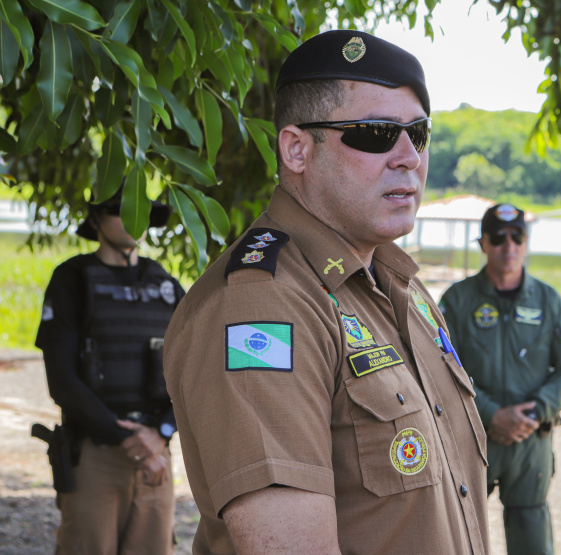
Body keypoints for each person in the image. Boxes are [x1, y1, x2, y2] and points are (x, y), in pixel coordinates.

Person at [163, 30, 489, 554]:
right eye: (376, 132)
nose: (408, 156)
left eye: (418, 133)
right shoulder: (262, 305)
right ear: (296, 149)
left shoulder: (402, 289)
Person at [35, 189, 184, 554]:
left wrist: (161, 432)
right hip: (96, 452)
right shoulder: (72, 279)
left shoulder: (166, 285)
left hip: (156, 452)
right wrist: (128, 441)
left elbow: (192, 376)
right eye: (120, 209)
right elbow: (63, 382)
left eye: (143, 210)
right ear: (97, 220)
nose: (133, 217)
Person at [439, 203, 561, 555]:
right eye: (499, 238)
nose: (509, 247)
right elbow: (440, 368)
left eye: (517, 237)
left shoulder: (548, 300)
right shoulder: (457, 300)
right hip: (473, 437)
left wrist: (534, 412)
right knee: (459, 537)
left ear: (527, 241)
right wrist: (491, 413)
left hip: (530, 442)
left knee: (532, 542)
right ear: (483, 243)